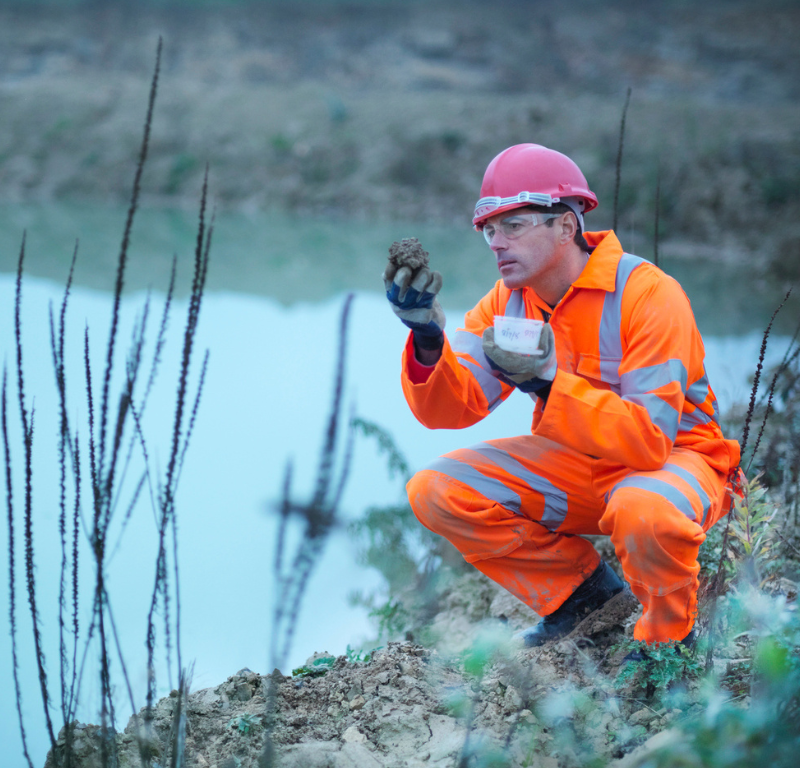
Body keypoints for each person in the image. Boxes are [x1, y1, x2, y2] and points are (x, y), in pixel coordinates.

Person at [382, 143, 741, 648]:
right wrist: (426, 339)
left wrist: (550, 383)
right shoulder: (506, 304)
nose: (496, 243)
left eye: (514, 225)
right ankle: (584, 599)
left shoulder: (647, 294)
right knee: (437, 490)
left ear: (566, 226)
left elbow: (648, 442)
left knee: (643, 509)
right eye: (489, 229)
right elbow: (452, 408)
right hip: (581, 468)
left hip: (677, 464)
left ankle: (667, 641)